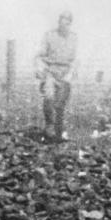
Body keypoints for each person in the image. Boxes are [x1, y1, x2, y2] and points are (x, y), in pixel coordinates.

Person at [36, 11, 77, 143]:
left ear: (70, 24)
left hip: (65, 73)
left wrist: (70, 75)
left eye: (67, 23)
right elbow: (39, 55)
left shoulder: (74, 38)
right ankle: (49, 126)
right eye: (61, 22)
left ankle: (59, 131)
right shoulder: (49, 36)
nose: (64, 25)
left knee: (60, 104)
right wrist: (40, 69)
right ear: (59, 22)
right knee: (49, 97)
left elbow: (75, 59)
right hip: (51, 71)